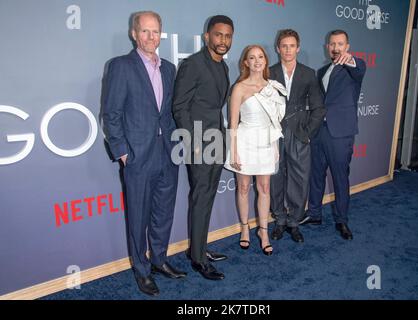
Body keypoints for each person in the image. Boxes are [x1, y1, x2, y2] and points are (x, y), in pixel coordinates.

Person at [102, 11, 186, 297]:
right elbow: (111, 114)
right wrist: (122, 152)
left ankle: (160, 260)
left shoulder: (169, 69)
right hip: (137, 156)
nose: (151, 37)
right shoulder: (120, 66)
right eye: (145, 31)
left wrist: (178, 143)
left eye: (156, 31)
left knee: (163, 212)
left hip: (167, 153)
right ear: (134, 34)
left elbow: (171, 112)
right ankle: (142, 270)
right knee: (138, 216)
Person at [172, 15, 234, 280]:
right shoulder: (192, 64)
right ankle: (197, 259)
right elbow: (179, 106)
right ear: (207, 36)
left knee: (207, 197)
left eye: (228, 36)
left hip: (217, 138)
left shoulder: (223, 66)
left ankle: (199, 248)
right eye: (218, 35)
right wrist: (193, 142)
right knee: (200, 198)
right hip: (200, 142)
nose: (223, 41)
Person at [301, 30, 366, 240]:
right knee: (316, 175)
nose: (335, 48)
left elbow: (358, 69)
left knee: (339, 177)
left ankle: (342, 220)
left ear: (347, 46)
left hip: (341, 133)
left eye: (340, 44)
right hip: (320, 131)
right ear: (327, 47)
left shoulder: (354, 67)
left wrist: (351, 61)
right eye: (332, 44)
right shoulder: (321, 72)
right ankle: (314, 214)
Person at [224, 45, 287, 256]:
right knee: (243, 187)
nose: (257, 61)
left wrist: (276, 146)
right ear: (246, 62)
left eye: (261, 57)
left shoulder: (272, 87)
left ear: (265, 61)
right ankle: (244, 227)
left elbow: (275, 122)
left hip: (267, 142)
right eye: (252, 57)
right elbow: (233, 123)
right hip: (244, 140)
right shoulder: (239, 88)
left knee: (265, 188)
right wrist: (233, 151)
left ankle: (263, 231)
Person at [269, 29, 326, 242]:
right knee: (275, 177)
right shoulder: (269, 71)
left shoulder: (308, 73)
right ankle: (280, 220)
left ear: (298, 48)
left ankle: (294, 222)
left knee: (300, 179)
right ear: (278, 48)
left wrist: (308, 133)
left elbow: (319, 108)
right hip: (274, 134)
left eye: (292, 46)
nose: (287, 50)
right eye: (284, 46)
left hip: (300, 134)